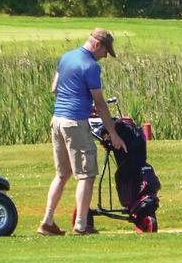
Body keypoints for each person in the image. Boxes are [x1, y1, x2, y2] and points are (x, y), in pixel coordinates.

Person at [40, 28, 125, 237]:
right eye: (105, 51)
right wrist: (113, 134)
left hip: (57, 121)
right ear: (97, 45)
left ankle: (47, 221)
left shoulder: (66, 57)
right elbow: (101, 104)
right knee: (86, 174)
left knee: (62, 174)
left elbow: (54, 88)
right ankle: (81, 224)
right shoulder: (91, 66)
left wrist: (78, 99)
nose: (105, 56)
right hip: (75, 123)